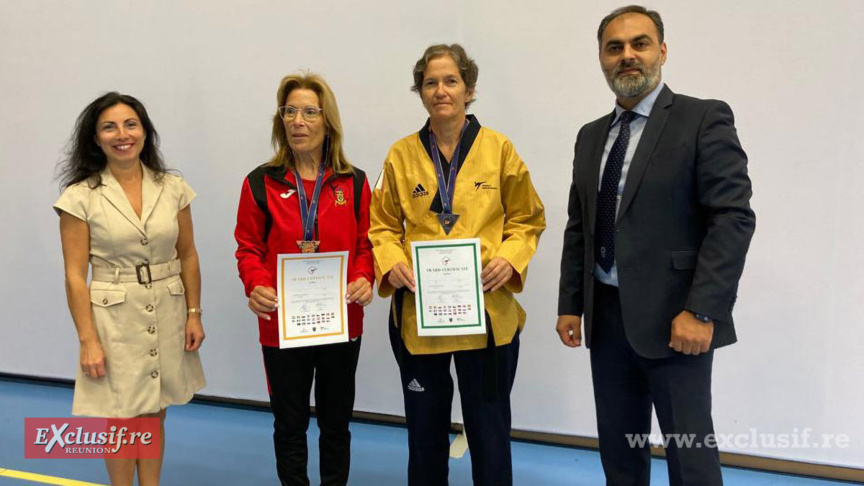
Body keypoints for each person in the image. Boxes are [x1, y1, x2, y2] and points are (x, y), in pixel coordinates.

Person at [556, 5, 756, 485]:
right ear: (601, 59)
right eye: (614, 47)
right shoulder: (589, 137)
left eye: (639, 44)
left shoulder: (702, 118)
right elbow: (579, 226)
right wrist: (571, 304)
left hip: (677, 320)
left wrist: (703, 310)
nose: (627, 56)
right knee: (620, 454)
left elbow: (732, 218)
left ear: (661, 51)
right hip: (606, 319)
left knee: (690, 458)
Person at [369, 44, 546, 485]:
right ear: (420, 91)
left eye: (451, 81)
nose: (441, 91)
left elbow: (528, 218)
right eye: (431, 82)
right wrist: (391, 265)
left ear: (469, 89)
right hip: (419, 314)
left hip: (486, 314)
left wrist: (510, 259)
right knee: (425, 434)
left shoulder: (499, 149)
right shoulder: (400, 155)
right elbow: (381, 227)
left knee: (489, 433)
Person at [55, 92, 206, 486]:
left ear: (144, 132)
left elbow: (187, 254)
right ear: (95, 138)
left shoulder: (172, 187)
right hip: (114, 317)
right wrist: (88, 340)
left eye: (130, 124)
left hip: (168, 308)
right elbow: (74, 275)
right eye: (109, 127)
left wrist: (194, 313)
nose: (122, 134)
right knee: (123, 415)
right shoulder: (80, 197)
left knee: (155, 410)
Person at [234, 72, 374, 486]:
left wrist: (365, 276)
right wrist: (255, 283)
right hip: (282, 325)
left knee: (336, 425)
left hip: (340, 322)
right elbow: (248, 247)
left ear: (326, 121)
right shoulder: (260, 182)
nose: (298, 120)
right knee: (289, 425)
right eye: (290, 111)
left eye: (309, 112)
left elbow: (369, 245)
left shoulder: (355, 181)